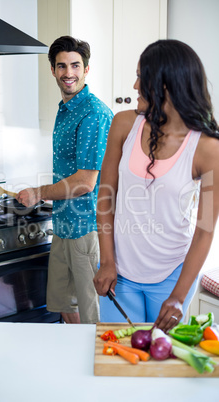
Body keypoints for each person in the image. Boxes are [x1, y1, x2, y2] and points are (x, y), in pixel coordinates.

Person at [93, 39, 219, 332]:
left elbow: (204, 231)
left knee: (162, 366)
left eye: (141, 77)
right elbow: (105, 198)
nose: (135, 86)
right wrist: (107, 261)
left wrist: (178, 296)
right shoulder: (124, 124)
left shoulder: (207, 149)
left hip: (173, 277)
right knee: (120, 360)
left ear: (165, 85)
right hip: (119, 274)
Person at [16, 36, 113, 324]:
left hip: (87, 229)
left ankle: (93, 369)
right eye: (61, 66)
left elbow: (85, 182)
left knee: (91, 315)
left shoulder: (93, 113)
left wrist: (38, 192)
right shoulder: (65, 108)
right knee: (63, 304)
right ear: (52, 70)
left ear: (86, 69)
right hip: (63, 224)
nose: (68, 73)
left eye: (75, 65)